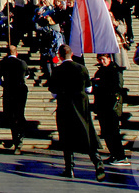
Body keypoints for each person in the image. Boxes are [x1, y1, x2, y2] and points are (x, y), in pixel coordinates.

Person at [48, 44, 105, 181]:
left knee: (66, 136)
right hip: (81, 106)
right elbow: (89, 89)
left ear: (60, 55)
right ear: (72, 54)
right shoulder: (81, 68)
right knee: (87, 133)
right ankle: (97, 161)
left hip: (65, 106)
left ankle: (69, 168)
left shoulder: (57, 70)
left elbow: (53, 92)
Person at [92, 53, 128, 165]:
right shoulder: (100, 71)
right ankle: (114, 154)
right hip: (102, 105)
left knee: (113, 132)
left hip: (111, 105)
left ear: (108, 58)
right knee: (106, 132)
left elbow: (117, 87)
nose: (101, 62)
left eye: (103, 59)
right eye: (100, 59)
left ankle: (120, 156)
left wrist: (100, 83)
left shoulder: (115, 70)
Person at [0, 45, 29, 154]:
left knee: (11, 115)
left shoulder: (3, 63)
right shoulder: (22, 63)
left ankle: (16, 138)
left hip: (9, 90)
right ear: (16, 52)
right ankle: (19, 138)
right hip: (20, 91)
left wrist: (3, 84)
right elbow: (26, 75)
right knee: (20, 113)